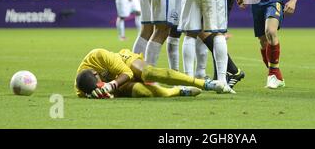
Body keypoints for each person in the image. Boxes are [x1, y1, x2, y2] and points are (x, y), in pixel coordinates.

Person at [75, 48, 229, 99]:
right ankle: (178, 91)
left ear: (96, 73)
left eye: (100, 82)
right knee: (141, 91)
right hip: (117, 83)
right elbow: (95, 94)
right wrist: (104, 94)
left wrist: (111, 84)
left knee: (148, 72)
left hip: (125, 63)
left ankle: (204, 83)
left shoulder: (98, 55)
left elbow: (127, 72)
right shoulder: (81, 89)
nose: (101, 85)